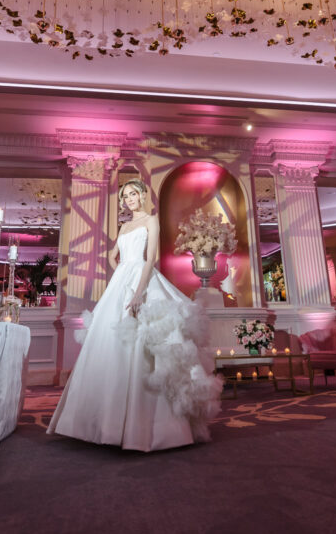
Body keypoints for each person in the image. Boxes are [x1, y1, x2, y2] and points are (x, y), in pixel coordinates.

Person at [47, 179, 222, 451]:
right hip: (123, 278)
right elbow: (112, 255)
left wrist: (139, 292)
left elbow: (150, 259)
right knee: (111, 345)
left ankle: (151, 427)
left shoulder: (151, 220)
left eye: (132, 194)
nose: (128, 199)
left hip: (142, 278)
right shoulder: (124, 226)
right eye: (125, 196)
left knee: (148, 344)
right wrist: (120, 272)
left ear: (141, 195)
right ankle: (103, 423)